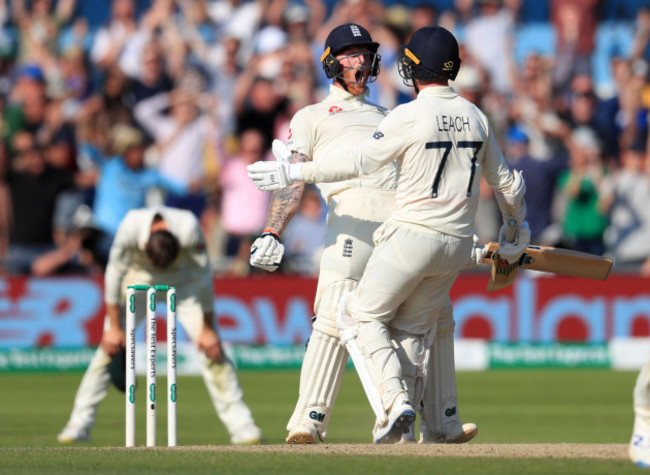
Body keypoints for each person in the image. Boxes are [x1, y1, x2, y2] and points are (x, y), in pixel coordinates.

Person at [248, 26, 530, 443]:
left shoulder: (393, 115)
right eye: (349, 55)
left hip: (402, 225)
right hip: (352, 224)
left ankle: (435, 420)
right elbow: (294, 179)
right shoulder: (309, 116)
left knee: (433, 320)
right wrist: (273, 228)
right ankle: (310, 420)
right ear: (330, 62)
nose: (360, 61)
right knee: (333, 317)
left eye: (365, 53)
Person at [57, 206, 262, 445]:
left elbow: (204, 278)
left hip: (183, 284)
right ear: (144, 247)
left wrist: (207, 330)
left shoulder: (187, 227)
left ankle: (242, 425)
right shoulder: (131, 226)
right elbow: (113, 276)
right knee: (107, 349)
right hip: (137, 279)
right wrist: (114, 328)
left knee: (213, 349)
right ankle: (79, 423)